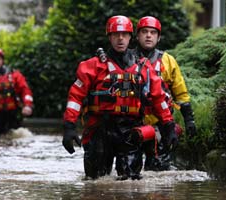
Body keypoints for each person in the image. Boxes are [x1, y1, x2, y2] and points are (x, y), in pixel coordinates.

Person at [62, 15, 177, 180]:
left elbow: (159, 98)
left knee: (130, 182)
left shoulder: (144, 67)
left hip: (130, 131)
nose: (120, 38)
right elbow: (75, 97)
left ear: (131, 37)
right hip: (100, 129)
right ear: (109, 37)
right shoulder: (92, 66)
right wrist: (69, 127)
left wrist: (168, 126)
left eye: (124, 34)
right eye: (116, 34)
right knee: (95, 182)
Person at [133, 16, 197, 171]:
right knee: (130, 170)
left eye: (153, 32)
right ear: (137, 36)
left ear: (158, 37)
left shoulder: (168, 61)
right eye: (145, 32)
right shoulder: (127, 59)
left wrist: (189, 120)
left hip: (162, 124)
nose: (149, 35)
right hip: (132, 123)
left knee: (159, 171)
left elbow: (180, 94)